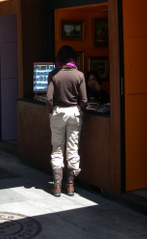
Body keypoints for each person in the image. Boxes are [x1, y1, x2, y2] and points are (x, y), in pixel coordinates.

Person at [46, 45, 87, 197]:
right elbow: (84, 99)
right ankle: (70, 186)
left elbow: (49, 98)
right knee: (72, 148)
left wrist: (50, 112)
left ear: (59, 59)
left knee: (57, 148)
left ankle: (57, 186)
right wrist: (80, 109)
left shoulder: (54, 74)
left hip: (58, 112)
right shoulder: (79, 75)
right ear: (73, 59)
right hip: (74, 113)